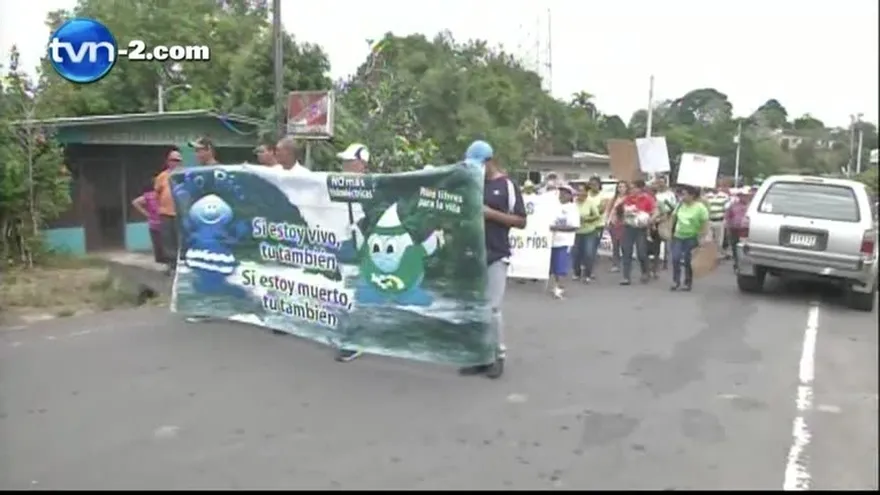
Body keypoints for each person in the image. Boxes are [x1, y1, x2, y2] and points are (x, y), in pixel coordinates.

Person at [458, 140, 526, 379]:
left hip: (496, 253)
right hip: (471, 254)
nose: (476, 169)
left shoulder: (506, 185)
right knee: (474, 307)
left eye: (479, 165)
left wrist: (491, 214)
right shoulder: (471, 184)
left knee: (492, 308)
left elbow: (520, 221)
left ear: (490, 161)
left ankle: (497, 356)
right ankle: (479, 356)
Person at [334, 143, 371, 363]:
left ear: (362, 164)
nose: (345, 165)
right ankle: (350, 334)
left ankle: (353, 341)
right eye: (344, 161)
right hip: (340, 243)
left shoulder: (371, 187)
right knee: (344, 290)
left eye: (350, 161)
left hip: (357, 244)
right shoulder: (335, 184)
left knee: (352, 291)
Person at [669, 185, 709, 291]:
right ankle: (676, 281)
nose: (682, 196)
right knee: (675, 258)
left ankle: (688, 282)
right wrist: (670, 231)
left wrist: (703, 236)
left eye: (685, 194)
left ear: (692, 196)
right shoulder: (680, 205)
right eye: (682, 194)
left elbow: (705, 222)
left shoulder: (700, 207)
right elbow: (673, 217)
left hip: (691, 237)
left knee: (688, 261)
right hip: (678, 236)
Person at [152, 149, 184, 275]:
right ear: (168, 161)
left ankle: (181, 265)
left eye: (178, 160)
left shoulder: (184, 175)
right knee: (167, 240)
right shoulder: (162, 176)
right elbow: (156, 194)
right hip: (165, 213)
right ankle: (171, 265)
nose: (175, 163)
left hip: (180, 213)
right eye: (173, 160)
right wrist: (158, 209)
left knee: (180, 239)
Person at [619, 179, 656, 285]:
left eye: (634, 187)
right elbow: (622, 211)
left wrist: (649, 220)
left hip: (641, 229)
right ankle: (626, 277)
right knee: (626, 251)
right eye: (631, 188)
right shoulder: (628, 199)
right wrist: (627, 213)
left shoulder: (647, 199)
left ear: (640, 188)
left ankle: (645, 272)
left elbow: (654, 211)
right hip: (629, 227)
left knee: (641, 252)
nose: (632, 190)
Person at [549, 184, 580, 298]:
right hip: (552, 241)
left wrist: (557, 228)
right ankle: (555, 285)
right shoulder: (554, 206)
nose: (562, 194)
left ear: (570, 195)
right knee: (554, 265)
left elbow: (575, 226)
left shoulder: (573, 208)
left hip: (565, 241)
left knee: (561, 266)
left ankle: (559, 287)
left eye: (565, 193)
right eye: (561, 192)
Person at [571, 178, 603, 283]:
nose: (581, 193)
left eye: (583, 191)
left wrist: (587, 219)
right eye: (578, 191)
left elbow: (597, 216)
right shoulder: (573, 203)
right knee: (576, 254)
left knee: (588, 253)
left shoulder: (590, 202)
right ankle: (577, 272)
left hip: (589, 231)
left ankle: (587, 274)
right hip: (576, 232)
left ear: (586, 192)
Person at [131, 183, 165, 264]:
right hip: (157, 223)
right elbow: (135, 202)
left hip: (162, 223)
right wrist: (146, 213)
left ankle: (163, 261)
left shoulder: (161, 195)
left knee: (161, 244)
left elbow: (135, 202)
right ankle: (162, 261)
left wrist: (146, 213)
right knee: (159, 244)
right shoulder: (151, 196)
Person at [652, 176, 677, 269]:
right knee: (656, 242)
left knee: (667, 241)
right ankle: (656, 261)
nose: (660, 184)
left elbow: (674, 207)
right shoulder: (655, 194)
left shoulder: (670, 194)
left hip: (667, 219)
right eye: (659, 182)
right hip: (656, 219)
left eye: (662, 182)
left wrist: (666, 215)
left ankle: (667, 262)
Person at [725, 188, 752, 271]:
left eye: (745, 196)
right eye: (742, 196)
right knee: (734, 247)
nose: (744, 198)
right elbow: (728, 216)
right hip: (734, 229)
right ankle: (736, 263)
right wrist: (728, 227)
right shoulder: (733, 205)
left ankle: (743, 264)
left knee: (744, 248)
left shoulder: (751, 206)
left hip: (745, 230)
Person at [604, 181, 629, 272]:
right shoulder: (614, 199)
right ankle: (615, 264)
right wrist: (607, 221)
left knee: (624, 245)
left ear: (627, 188)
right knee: (615, 245)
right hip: (613, 224)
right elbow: (608, 211)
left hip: (624, 224)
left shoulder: (629, 199)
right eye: (619, 187)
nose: (621, 189)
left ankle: (626, 264)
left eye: (623, 187)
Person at [703, 186, 730, 258]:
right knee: (708, 239)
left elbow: (727, 209)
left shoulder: (724, 196)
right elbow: (704, 208)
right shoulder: (707, 196)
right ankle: (709, 254)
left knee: (719, 240)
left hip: (720, 220)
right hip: (709, 220)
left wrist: (726, 220)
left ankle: (717, 254)